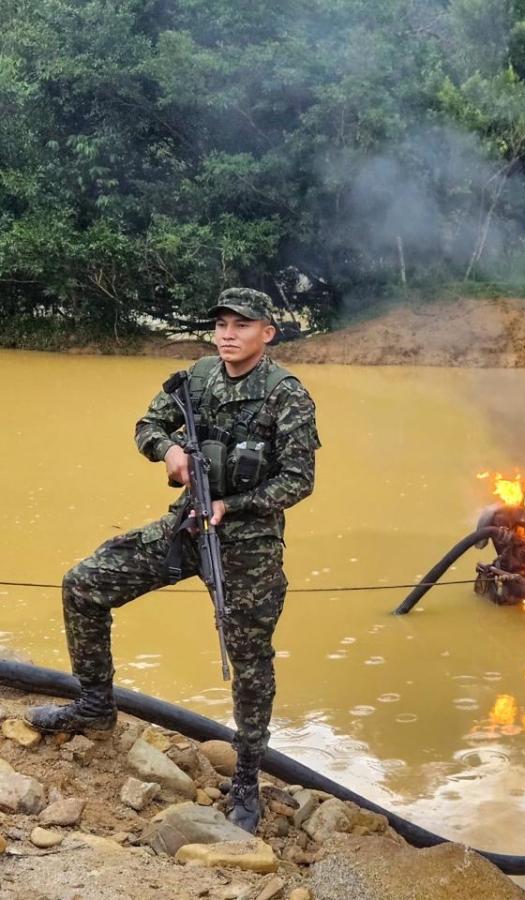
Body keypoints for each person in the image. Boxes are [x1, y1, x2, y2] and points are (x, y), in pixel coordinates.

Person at [26, 288, 320, 834]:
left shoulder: (287, 396)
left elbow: (298, 480)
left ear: (267, 333)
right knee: (84, 584)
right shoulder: (198, 377)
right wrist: (170, 452)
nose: (228, 333)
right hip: (186, 526)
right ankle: (93, 705)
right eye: (221, 324)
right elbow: (147, 426)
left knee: (248, 661)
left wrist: (232, 505)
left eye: (242, 325)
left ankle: (248, 777)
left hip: (247, 546)